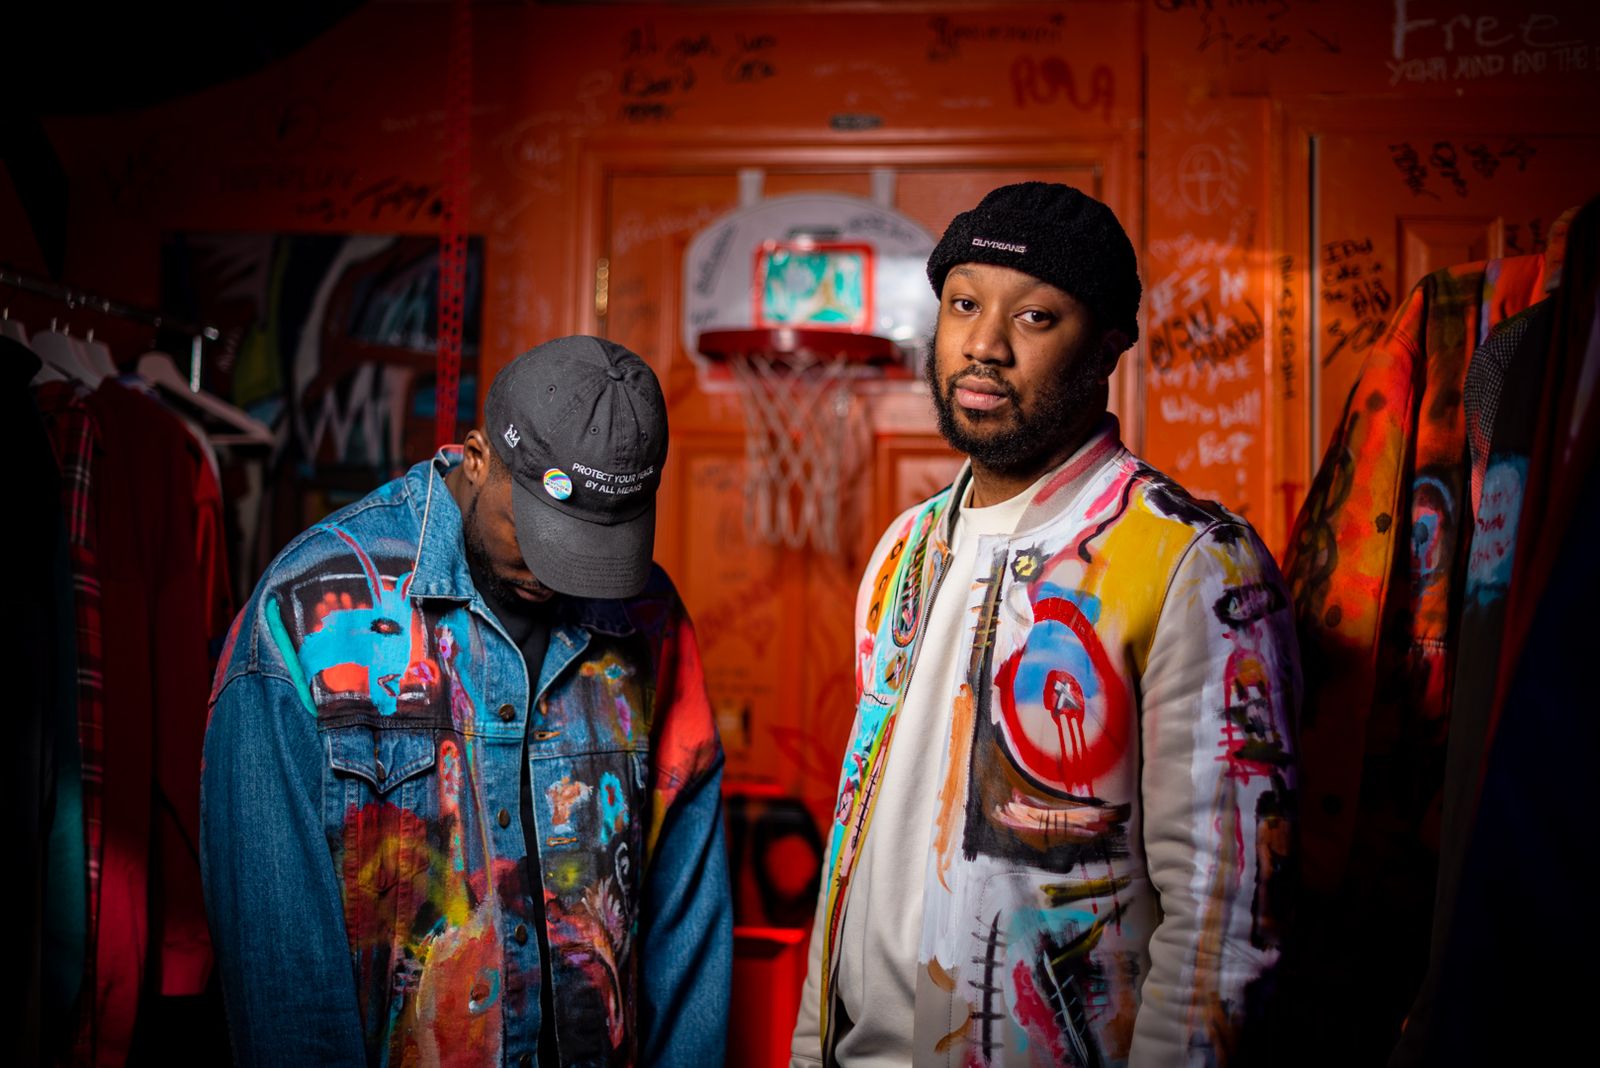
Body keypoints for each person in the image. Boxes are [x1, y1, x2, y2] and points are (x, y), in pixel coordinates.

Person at [791, 183, 1299, 1067]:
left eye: (1033, 317)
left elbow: (1221, 928)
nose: (983, 345)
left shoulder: (1192, 562)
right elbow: (853, 835)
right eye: (964, 305)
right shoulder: (903, 550)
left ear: (1106, 347)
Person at [201, 336, 731, 1067]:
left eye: (597, 550)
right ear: (478, 458)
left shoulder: (653, 622)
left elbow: (687, 923)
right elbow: (284, 984)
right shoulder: (306, 618)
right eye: (542, 535)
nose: (562, 574)